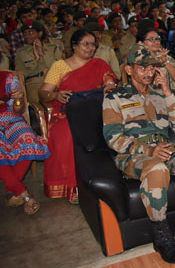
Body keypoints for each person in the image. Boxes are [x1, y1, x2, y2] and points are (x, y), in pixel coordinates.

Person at [103, 44, 175, 264]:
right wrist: (148, 150)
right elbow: (112, 138)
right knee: (156, 167)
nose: (149, 72)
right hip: (132, 155)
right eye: (142, 67)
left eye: (152, 67)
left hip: (164, 148)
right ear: (129, 70)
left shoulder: (160, 95)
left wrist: (168, 93)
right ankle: (162, 236)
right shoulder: (115, 97)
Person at [39, 29, 118, 202]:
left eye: (93, 44)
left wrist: (110, 85)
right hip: (67, 114)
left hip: (97, 112)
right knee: (67, 135)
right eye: (86, 44)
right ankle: (73, 187)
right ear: (74, 46)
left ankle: (109, 178)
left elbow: (109, 80)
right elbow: (44, 93)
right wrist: (56, 95)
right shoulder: (60, 66)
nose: (91, 48)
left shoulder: (99, 64)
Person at [0, 70, 50, 215]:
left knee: (27, 138)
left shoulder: (8, 78)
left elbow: (18, 108)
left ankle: (12, 192)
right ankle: (25, 194)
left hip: (11, 119)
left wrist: (18, 99)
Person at [14, 21, 63, 104]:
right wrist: (35, 61)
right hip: (34, 83)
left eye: (30, 33)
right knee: (38, 104)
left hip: (54, 82)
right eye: (24, 34)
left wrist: (41, 53)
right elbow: (20, 75)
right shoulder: (21, 52)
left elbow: (58, 67)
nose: (27, 36)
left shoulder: (53, 48)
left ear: (40, 33)